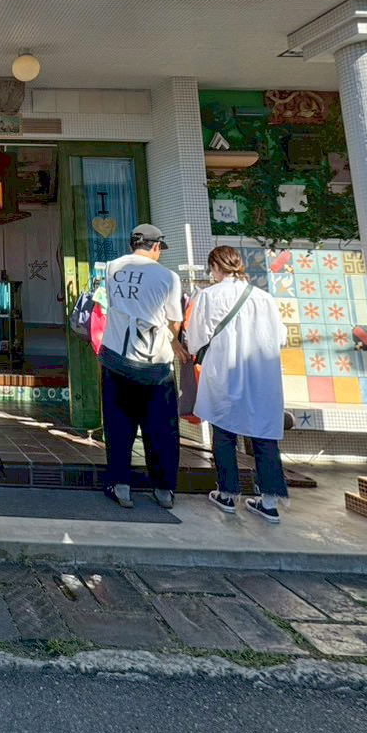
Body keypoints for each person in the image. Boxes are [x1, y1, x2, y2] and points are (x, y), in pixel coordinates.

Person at [185, 246, 289, 524]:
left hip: (225, 372)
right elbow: (280, 337)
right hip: (261, 376)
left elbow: (196, 338)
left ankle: (227, 493)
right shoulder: (264, 298)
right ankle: (269, 502)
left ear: (215, 267)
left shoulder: (209, 296)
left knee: (224, 431)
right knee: (264, 435)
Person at [98, 223, 187, 511]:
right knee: (160, 428)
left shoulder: (112, 268)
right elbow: (174, 321)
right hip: (155, 364)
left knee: (118, 425)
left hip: (116, 357)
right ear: (156, 246)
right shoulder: (168, 277)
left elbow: (113, 304)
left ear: (131, 244)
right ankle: (163, 489)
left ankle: (121, 486)